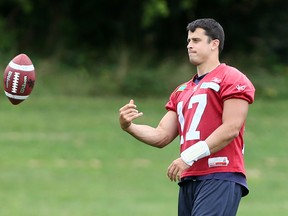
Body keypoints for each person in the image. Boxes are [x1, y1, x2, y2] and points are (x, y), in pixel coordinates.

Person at [119, 18, 255, 216]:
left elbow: (231, 128)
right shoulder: (182, 90)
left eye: (196, 40)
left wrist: (187, 157)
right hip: (190, 179)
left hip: (220, 174)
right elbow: (161, 135)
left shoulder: (232, 78)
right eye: (188, 41)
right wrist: (129, 126)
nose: (190, 45)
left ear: (214, 44)